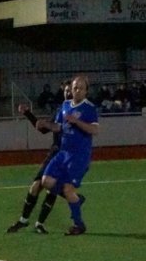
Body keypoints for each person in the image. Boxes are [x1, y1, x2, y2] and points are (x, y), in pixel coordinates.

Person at [6, 85, 71, 234]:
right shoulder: (60, 111)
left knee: (51, 189)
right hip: (54, 154)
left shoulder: (77, 112)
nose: (68, 93)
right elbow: (43, 129)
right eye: (66, 90)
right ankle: (23, 220)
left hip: (66, 156)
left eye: (70, 90)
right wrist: (28, 113)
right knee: (36, 186)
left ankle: (39, 224)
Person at [40, 75, 99, 235]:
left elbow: (95, 130)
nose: (77, 90)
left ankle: (79, 224)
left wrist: (77, 122)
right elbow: (58, 127)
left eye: (81, 88)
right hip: (63, 153)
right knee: (46, 181)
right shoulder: (65, 105)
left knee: (67, 189)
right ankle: (76, 199)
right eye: (75, 88)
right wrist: (46, 125)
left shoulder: (89, 108)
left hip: (79, 156)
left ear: (86, 91)